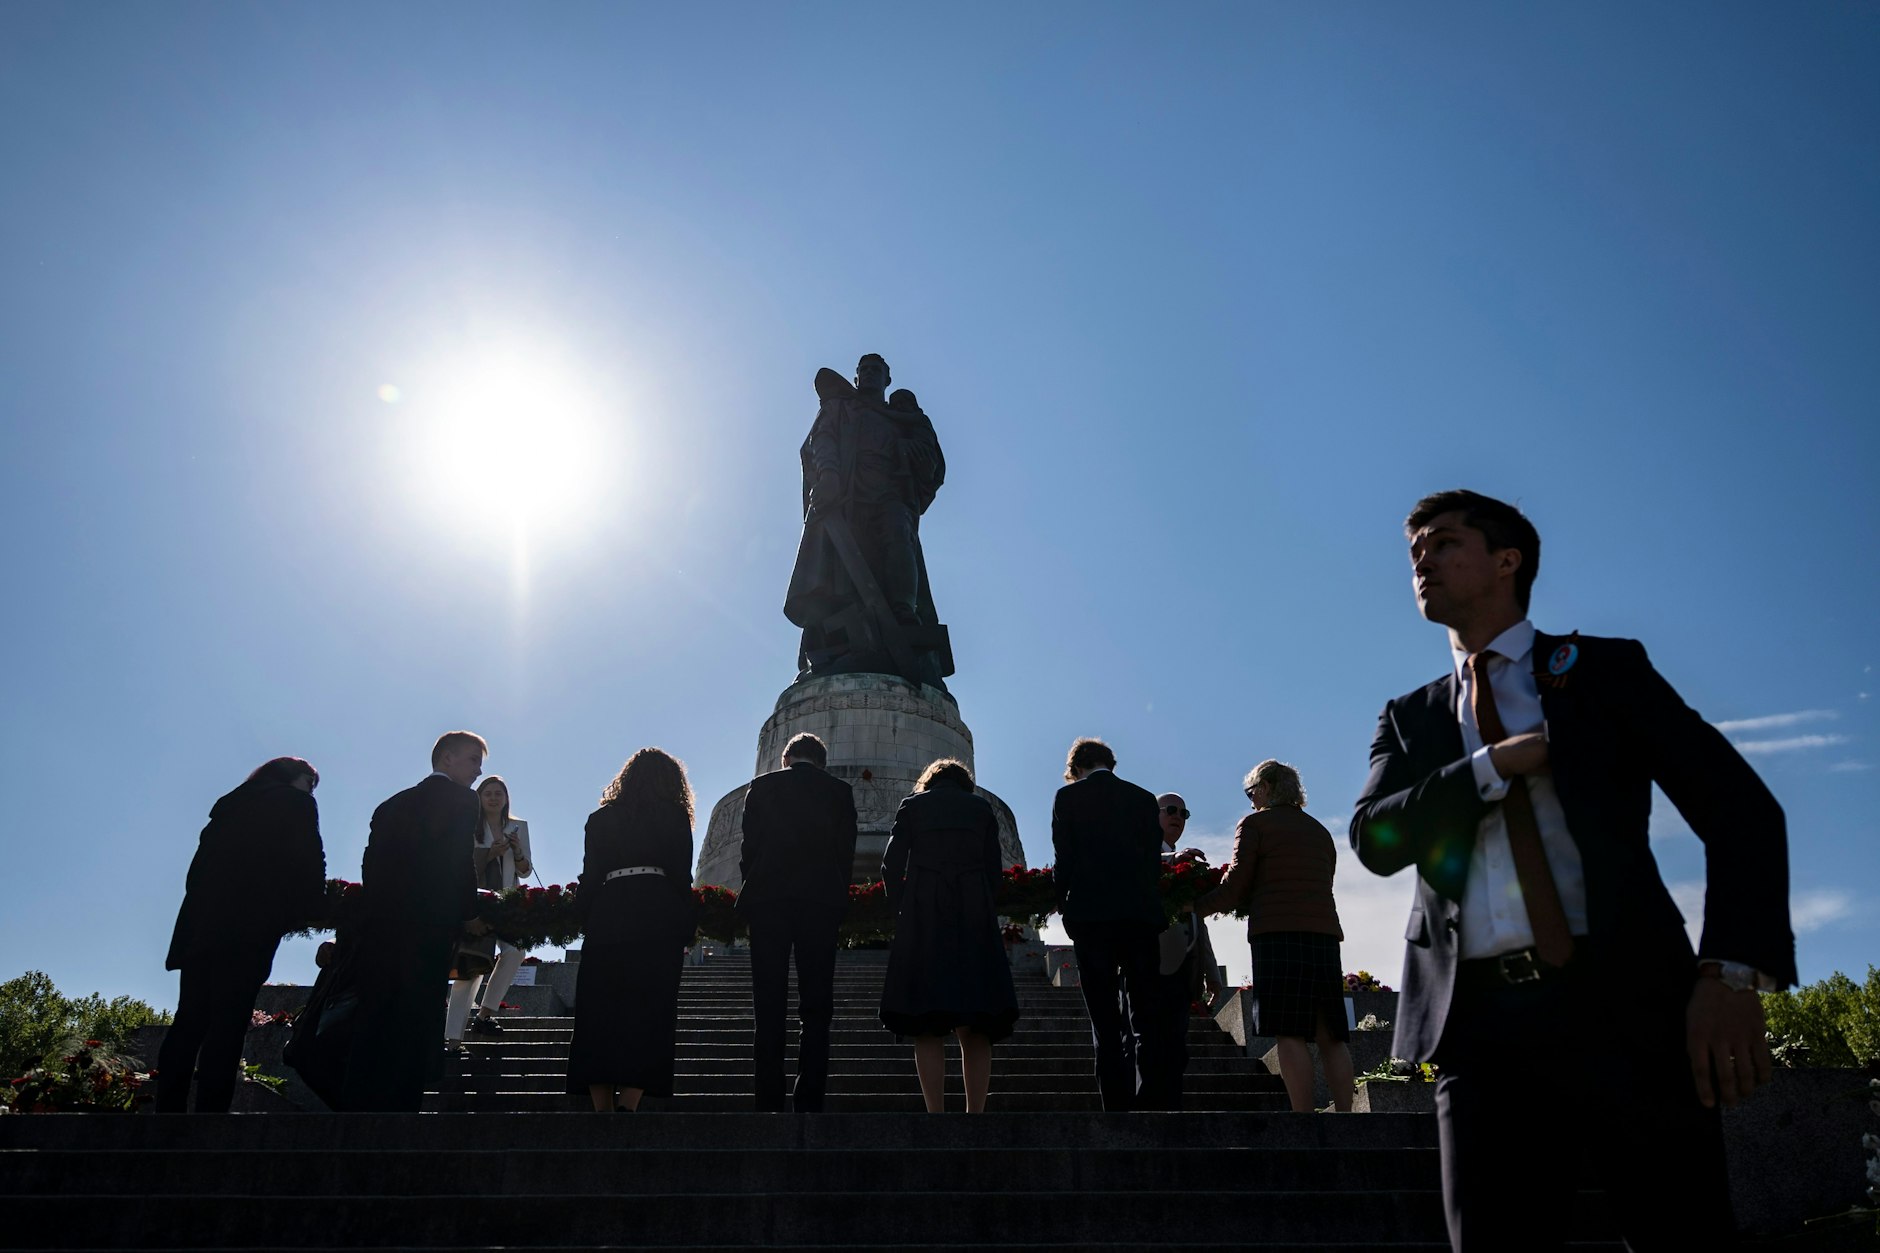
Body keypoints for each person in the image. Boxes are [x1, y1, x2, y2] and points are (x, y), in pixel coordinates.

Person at [1351, 489, 1796, 1251]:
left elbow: (1742, 809)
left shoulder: (1604, 671)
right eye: (1414, 550)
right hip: (1479, 1031)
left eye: (1444, 541)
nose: (1421, 559)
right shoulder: (1410, 716)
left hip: (1626, 1003)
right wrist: (1492, 764)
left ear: (1506, 559)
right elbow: (1376, 837)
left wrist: (1728, 974)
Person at [157, 756, 327, 1113]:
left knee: (189, 1019)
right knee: (229, 1021)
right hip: (250, 926)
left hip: (201, 926)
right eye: (309, 782)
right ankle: (211, 1115)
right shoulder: (296, 804)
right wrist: (314, 910)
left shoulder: (228, 808)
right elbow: (309, 861)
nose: (311, 791)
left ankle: (166, 1111)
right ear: (291, 779)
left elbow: (196, 873)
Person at [339, 731, 488, 1112]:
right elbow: (459, 859)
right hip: (430, 924)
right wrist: (470, 913)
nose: (478, 770)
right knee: (417, 1010)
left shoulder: (392, 804)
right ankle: (402, 1107)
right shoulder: (461, 799)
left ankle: (356, 1102)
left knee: (376, 1011)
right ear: (447, 758)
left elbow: (370, 863)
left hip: (382, 924)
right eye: (473, 760)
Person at [1191, 762, 1353, 1113]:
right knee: (1331, 1033)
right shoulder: (1320, 832)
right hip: (1324, 934)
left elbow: (1236, 884)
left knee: (1289, 1030)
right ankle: (1348, 1117)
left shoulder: (1255, 825)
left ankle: (1304, 1118)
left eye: (1251, 793)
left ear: (1265, 787)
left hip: (1277, 934)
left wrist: (1193, 909)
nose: (1250, 802)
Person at [783, 353, 951, 687]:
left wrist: (913, 448)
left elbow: (930, 464)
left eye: (878, 370)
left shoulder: (901, 417)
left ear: (888, 379)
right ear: (857, 378)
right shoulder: (841, 408)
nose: (871, 374)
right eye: (865, 369)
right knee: (842, 572)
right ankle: (840, 638)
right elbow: (823, 439)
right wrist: (829, 474)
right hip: (848, 500)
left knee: (898, 543)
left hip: (890, 498)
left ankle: (903, 613)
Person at [879, 758, 1019, 1113]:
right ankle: (975, 1114)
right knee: (977, 1020)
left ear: (929, 781)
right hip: (973, 916)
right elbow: (993, 868)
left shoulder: (913, 805)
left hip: (924, 915)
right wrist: (982, 903)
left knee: (926, 1022)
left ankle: (935, 1115)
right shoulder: (980, 808)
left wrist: (901, 907)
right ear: (963, 783)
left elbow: (891, 864)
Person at [566, 748, 697, 1112]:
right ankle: (631, 1103)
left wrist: (584, 916)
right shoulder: (674, 816)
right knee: (650, 1009)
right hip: (656, 915)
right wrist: (684, 923)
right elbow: (680, 875)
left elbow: (590, 876)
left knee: (599, 1011)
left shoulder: (600, 819)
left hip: (610, 912)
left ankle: (602, 1106)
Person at [736, 731, 859, 1112]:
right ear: (821, 761)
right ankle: (809, 1099)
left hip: (768, 902)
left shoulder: (761, 787)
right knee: (817, 1005)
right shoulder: (839, 792)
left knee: (768, 1002)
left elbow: (748, 849)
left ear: (785, 757)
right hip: (820, 902)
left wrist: (755, 887)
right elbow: (845, 854)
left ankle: (768, 1098)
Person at [1050, 737, 1165, 1112]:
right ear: (1110, 763)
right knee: (1145, 1013)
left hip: (1091, 917)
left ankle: (1114, 1106)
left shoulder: (1067, 798)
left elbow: (1064, 859)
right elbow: (1152, 862)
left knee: (1104, 1017)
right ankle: (1150, 1100)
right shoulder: (1144, 798)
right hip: (1139, 916)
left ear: (1076, 768)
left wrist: (1061, 902)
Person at [1137, 791, 1219, 1111]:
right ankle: (1149, 1112)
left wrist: (1211, 975)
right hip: (1150, 964)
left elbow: (1199, 920)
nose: (1177, 817)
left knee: (1175, 1048)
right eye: (1170, 810)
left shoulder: (1183, 860)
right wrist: (1175, 859)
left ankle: (1169, 1112)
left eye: (1183, 814)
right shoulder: (1141, 852)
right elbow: (1141, 866)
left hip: (1185, 967)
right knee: (1150, 1043)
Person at [444, 775, 534, 1047]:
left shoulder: (518, 827)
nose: (494, 798)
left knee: (516, 950)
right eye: (488, 793)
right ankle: (452, 1041)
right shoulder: (470, 826)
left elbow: (526, 871)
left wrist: (517, 852)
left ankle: (485, 1014)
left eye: (499, 793)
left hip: (506, 903)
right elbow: (459, 866)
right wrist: (490, 854)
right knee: (471, 967)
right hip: (476, 904)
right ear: (480, 798)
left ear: (506, 798)